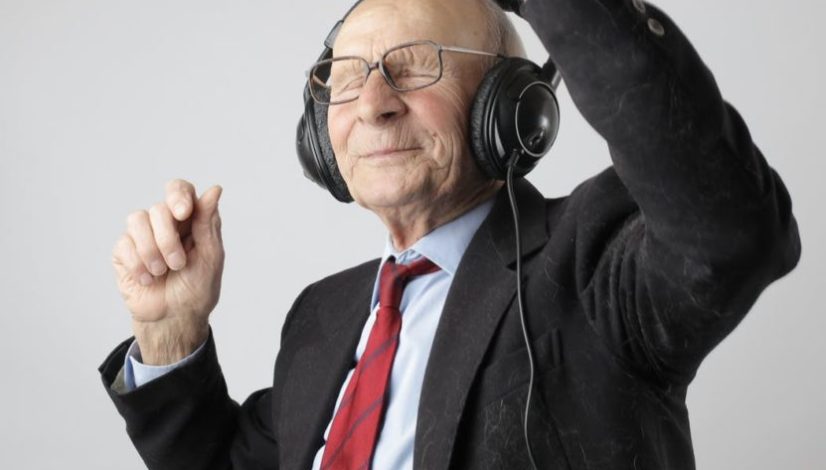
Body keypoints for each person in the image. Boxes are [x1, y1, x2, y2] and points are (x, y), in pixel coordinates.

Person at [100, 0, 801, 468]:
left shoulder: (593, 259)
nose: (372, 104)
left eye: (414, 65)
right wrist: (170, 337)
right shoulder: (322, 316)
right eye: (346, 77)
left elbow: (730, 231)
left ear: (514, 111)